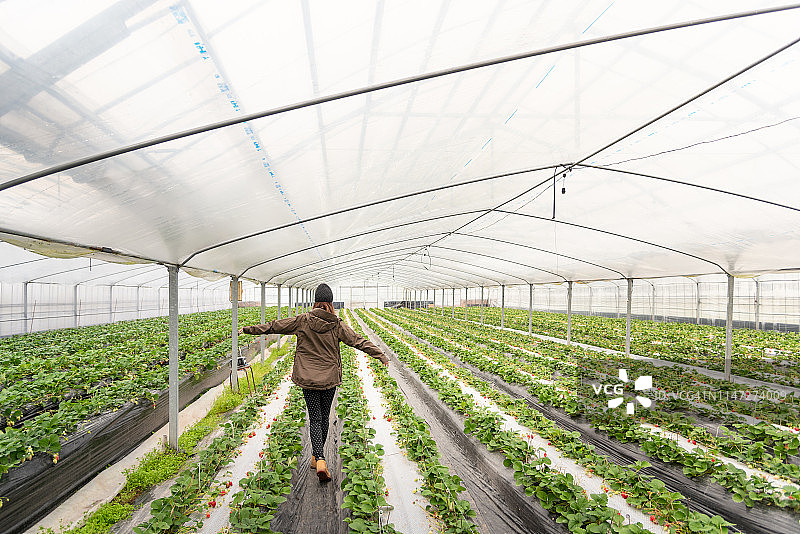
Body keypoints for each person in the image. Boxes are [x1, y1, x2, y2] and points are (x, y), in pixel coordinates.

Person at [239, 283, 389, 482]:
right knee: (324, 418)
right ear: (330, 302)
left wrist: (248, 330)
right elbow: (358, 341)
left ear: (315, 301)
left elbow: (275, 326)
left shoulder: (303, 320)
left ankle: (317, 457)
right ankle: (318, 457)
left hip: (308, 378)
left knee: (314, 418)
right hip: (328, 379)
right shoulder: (337, 325)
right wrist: (381, 356)